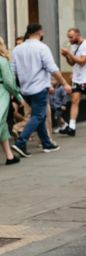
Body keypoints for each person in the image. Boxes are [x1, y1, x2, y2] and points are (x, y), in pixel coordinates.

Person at [11, 23, 70, 157]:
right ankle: (21, 142)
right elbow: (52, 68)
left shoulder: (17, 49)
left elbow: (12, 71)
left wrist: (15, 90)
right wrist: (65, 83)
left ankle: (46, 143)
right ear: (40, 32)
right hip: (39, 88)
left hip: (25, 90)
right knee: (38, 116)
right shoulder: (42, 48)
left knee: (40, 116)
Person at [59, 27, 86, 135]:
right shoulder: (73, 46)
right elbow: (72, 63)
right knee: (74, 100)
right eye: (68, 37)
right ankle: (72, 127)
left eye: (71, 37)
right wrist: (67, 56)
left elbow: (82, 61)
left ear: (78, 34)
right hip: (77, 78)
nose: (70, 39)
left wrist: (69, 53)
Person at [0, 37, 23, 165]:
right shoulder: (2, 61)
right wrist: (18, 96)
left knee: (2, 124)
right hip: (1, 92)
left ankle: (9, 156)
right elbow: (9, 82)